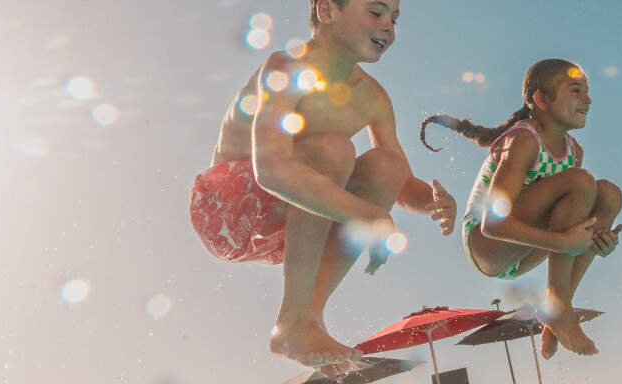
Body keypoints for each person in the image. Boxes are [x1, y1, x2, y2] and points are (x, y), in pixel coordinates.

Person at [188, 0, 457, 371]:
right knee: (334, 149)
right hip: (228, 212)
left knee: (386, 163)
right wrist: (366, 215)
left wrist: (432, 202)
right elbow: (271, 169)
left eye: (394, 19)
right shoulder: (287, 68)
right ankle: (293, 318)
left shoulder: (373, 98)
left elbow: (401, 183)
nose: (389, 27)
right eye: (376, 12)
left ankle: (307, 321)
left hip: (293, 220)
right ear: (327, 10)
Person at [419, 59, 622, 359]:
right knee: (582, 182)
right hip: (485, 243)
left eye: (587, 91)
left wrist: (595, 242)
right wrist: (565, 243)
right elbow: (493, 225)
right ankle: (557, 305)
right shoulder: (524, 140)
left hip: (523, 249)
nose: (588, 99)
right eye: (576, 90)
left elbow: (567, 216)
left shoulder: (573, 151)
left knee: (609, 195)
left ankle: (558, 306)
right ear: (541, 99)